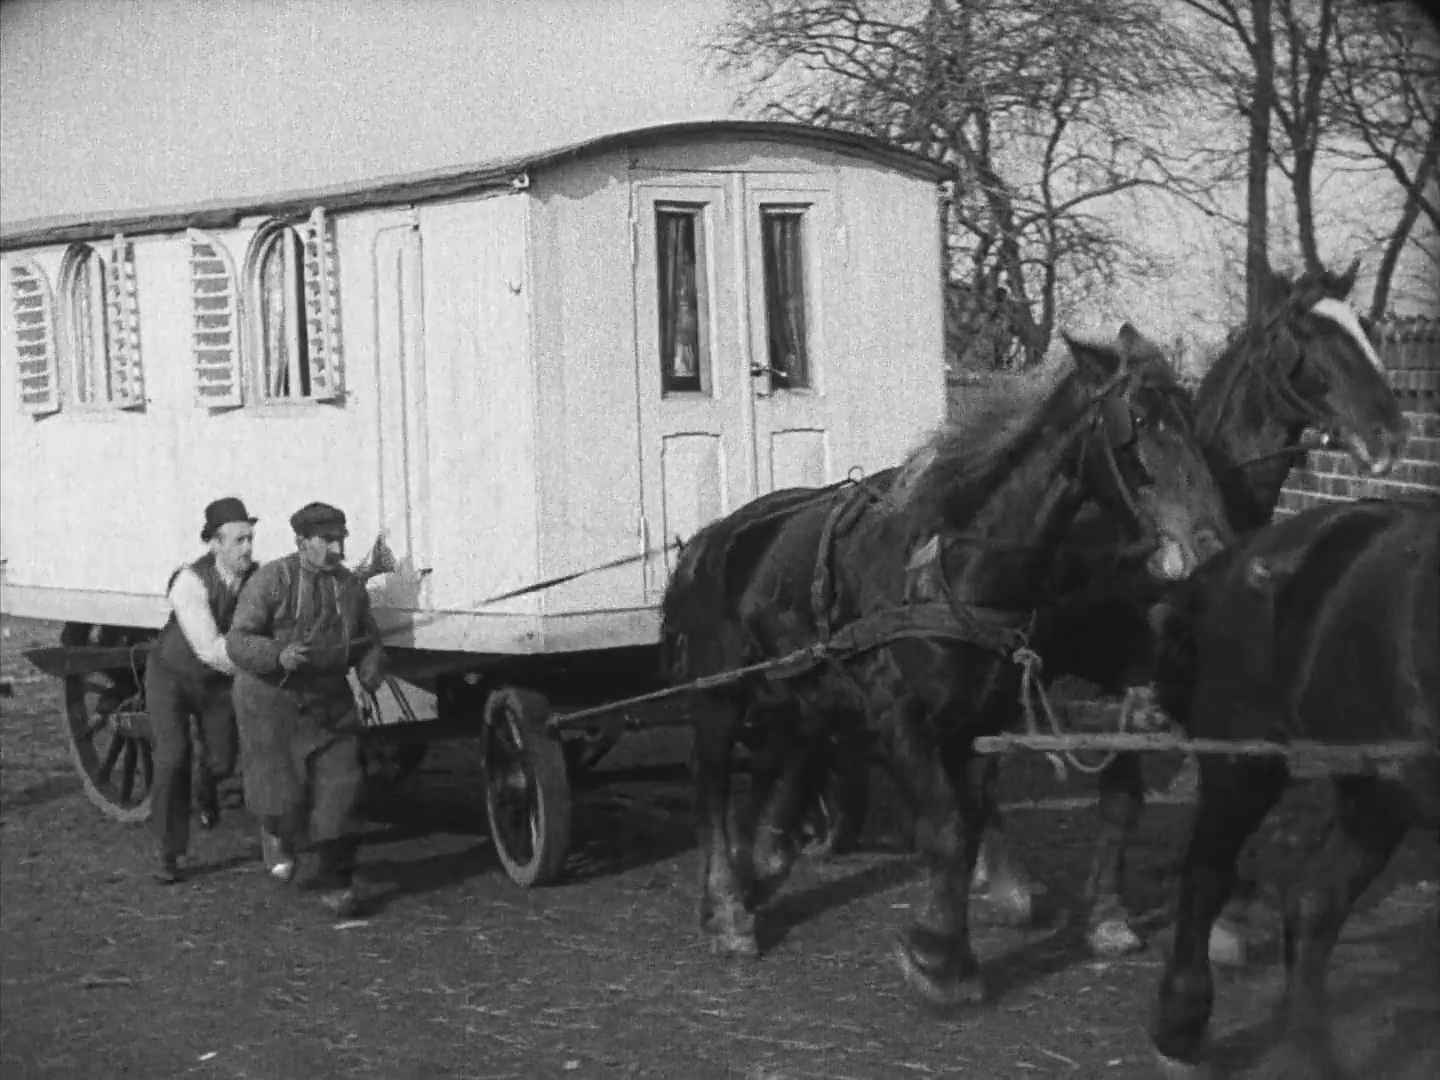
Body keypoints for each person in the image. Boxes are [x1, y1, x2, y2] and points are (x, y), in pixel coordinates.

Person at [226, 501, 386, 917]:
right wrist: (277, 655)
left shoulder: (350, 588)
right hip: (269, 704)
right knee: (281, 797)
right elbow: (238, 640)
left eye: (340, 539)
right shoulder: (270, 581)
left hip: (329, 703)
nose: (337, 549)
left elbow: (368, 638)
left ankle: (337, 882)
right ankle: (275, 830)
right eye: (327, 540)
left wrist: (370, 668)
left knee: (342, 790)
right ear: (301, 542)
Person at [146, 497, 259, 884]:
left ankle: (205, 783)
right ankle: (168, 852)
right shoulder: (189, 582)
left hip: (215, 683)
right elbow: (210, 648)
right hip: (172, 677)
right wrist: (260, 662)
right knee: (173, 757)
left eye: (250, 538)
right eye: (238, 540)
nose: (247, 548)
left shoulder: (256, 578)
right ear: (215, 544)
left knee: (224, 761)